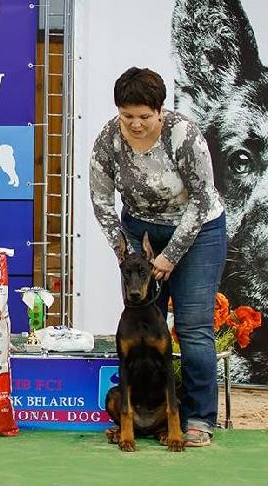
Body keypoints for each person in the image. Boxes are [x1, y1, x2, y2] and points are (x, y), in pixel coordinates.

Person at [90, 67, 226, 447]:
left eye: (144, 116)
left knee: (193, 326)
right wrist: (125, 253)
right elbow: (101, 201)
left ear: (160, 111)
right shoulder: (107, 140)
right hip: (140, 230)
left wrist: (169, 256)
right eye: (127, 116)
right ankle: (142, 415)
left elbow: (202, 199)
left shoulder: (184, 135)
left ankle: (198, 418)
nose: (135, 124)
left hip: (198, 229)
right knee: (142, 320)